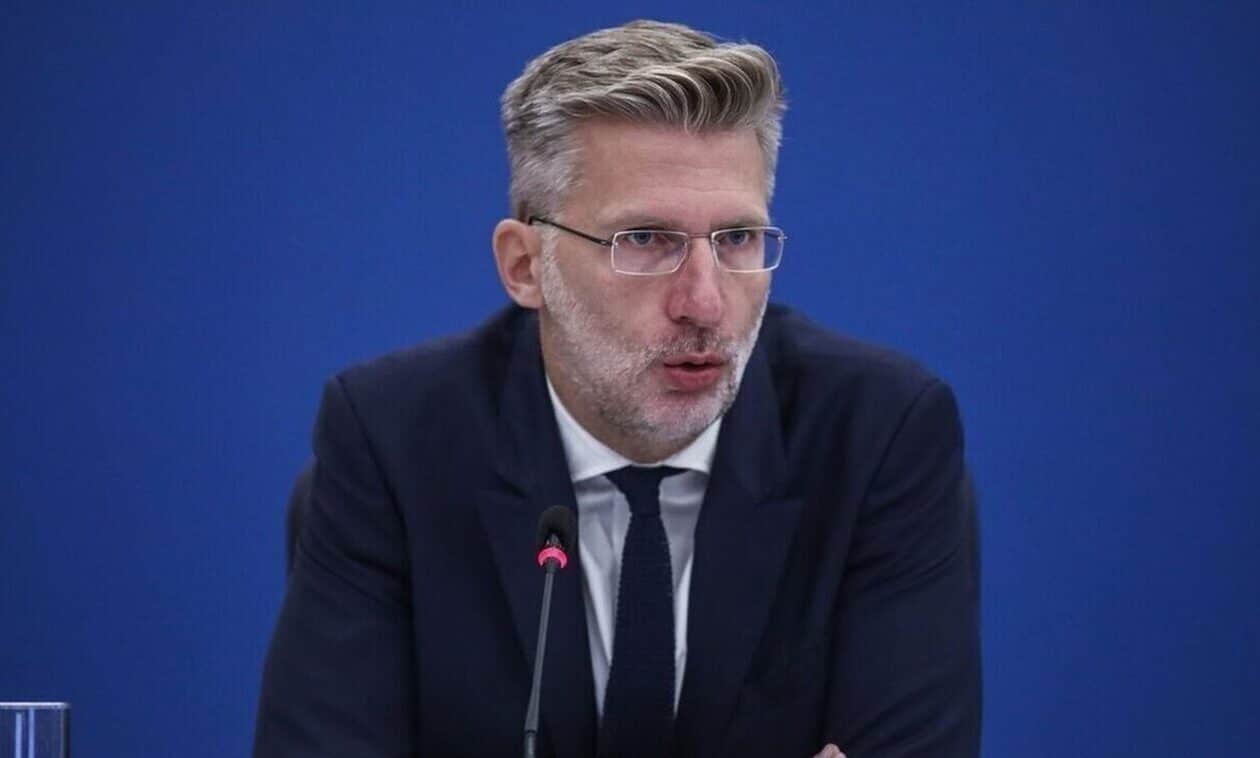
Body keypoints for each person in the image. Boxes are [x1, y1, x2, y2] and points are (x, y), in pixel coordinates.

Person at [253, 19, 980, 758]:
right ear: (525, 266)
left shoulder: (879, 436)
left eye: (736, 239)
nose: (705, 303)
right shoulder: (392, 446)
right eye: (645, 240)